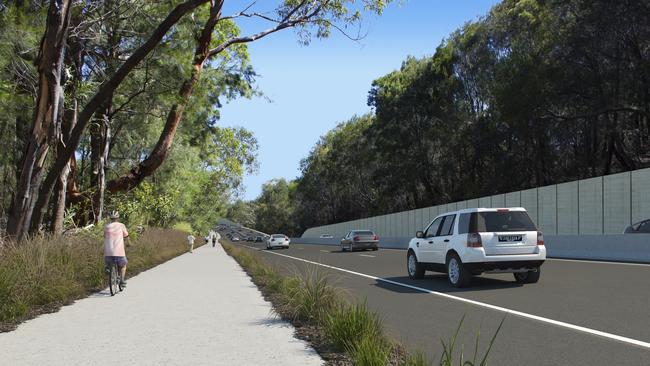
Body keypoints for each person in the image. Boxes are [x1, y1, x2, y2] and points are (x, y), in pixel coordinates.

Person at [104, 211, 129, 287]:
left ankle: (108, 268)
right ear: (118, 218)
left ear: (110, 218)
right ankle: (122, 280)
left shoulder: (106, 226)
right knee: (123, 265)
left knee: (108, 262)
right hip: (119, 252)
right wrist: (129, 243)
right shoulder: (121, 226)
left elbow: (104, 236)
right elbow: (126, 236)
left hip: (108, 253)